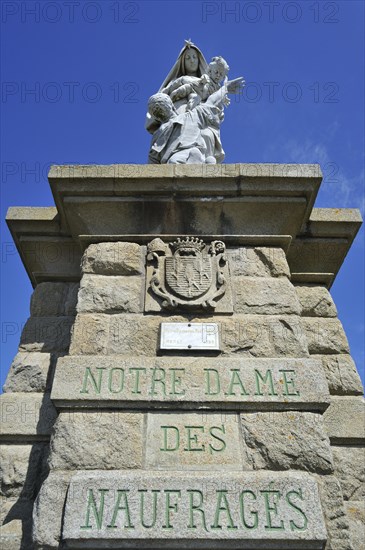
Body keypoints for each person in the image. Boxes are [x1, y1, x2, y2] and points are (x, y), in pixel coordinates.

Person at [147, 83, 231, 165]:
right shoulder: (158, 134)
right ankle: (202, 162)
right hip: (178, 158)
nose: (159, 110)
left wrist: (225, 88)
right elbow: (211, 101)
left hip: (181, 156)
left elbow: (211, 101)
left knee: (174, 162)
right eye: (156, 110)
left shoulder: (191, 116)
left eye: (160, 107)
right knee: (173, 161)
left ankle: (199, 160)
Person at [145, 40, 208, 134]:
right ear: (182, 62)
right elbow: (163, 95)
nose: (192, 60)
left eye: (195, 57)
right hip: (178, 111)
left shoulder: (207, 81)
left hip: (199, 115)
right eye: (188, 58)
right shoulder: (176, 81)